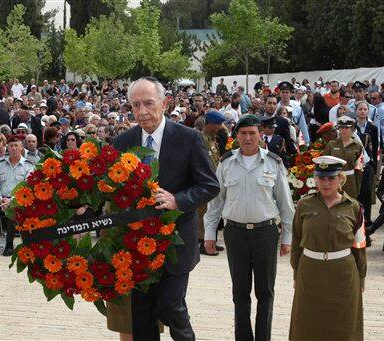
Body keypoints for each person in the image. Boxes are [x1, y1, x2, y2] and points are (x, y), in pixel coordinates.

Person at [112, 77, 219, 341]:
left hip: (177, 241)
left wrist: (177, 200)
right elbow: (110, 187)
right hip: (136, 243)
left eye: (148, 103)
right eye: (136, 105)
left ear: (164, 103)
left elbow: (209, 185)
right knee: (143, 312)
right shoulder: (122, 142)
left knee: (171, 305)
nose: (142, 111)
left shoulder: (189, 138)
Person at [204, 114, 294, 341]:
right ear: (236, 136)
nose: (248, 138)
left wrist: (287, 238)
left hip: (266, 233)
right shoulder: (226, 163)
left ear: (260, 135)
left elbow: (286, 204)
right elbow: (215, 203)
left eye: (252, 133)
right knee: (240, 293)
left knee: (265, 292)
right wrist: (209, 233)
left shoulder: (273, 162)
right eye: (243, 133)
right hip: (235, 233)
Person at [289, 155, 366, 341]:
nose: (325, 183)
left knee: (344, 322)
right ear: (315, 179)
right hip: (310, 271)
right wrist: (296, 273)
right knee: (307, 321)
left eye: (331, 178)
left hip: (343, 274)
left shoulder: (354, 207)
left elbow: (359, 246)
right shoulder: (304, 205)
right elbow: (297, 241)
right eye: (321, 178)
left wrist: (361, 277)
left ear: (341, 179)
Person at [0, 135, 34, 256]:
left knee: (12, 208)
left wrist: (12, 200)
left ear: (21, 147)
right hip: (0, 198)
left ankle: (9, 244)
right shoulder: (0, 164)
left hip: (18, 200)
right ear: (7, 147)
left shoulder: (29, 166)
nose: (13, 148)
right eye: (11, 146)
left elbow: (27, 187)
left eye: (16, 145)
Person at [199, 111, 226, 256]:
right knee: (205, 211)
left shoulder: (212, 138)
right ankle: (204, 242)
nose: (220, 127)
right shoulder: (202, 139)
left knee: (213, 210)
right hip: (205, 180)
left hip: (213, 178)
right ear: (211, 124)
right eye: (218, 124)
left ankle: (211, 240)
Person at [325, 116, 363, 198]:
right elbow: (325, 165)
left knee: (349, 206)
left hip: (350, 181)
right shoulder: (331, 144)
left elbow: (359, 169)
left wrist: (358, 187)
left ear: (352, 129)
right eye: (341, 128)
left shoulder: (357, 146)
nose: (344, 130)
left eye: (347, 128)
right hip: (334, 179)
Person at [354, 101, 379, 225]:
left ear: (368, 111)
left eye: (365, 109)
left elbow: (375, 147)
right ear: (356, 111)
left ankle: (367, 219)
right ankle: (355, 218)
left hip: (367, 164)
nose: (362, 111)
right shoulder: (352, 126)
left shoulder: (373, 127)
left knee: (367, 191)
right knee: (356, 191)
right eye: (360, 109)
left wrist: (374, 165)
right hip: (354, 164)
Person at [277, 81, 310, 145]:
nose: (285, 94)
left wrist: (306, 142)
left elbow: (303, 125)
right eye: (283, 92)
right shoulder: (275, 108)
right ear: (279, 93)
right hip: (279, 141)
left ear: (291, 94)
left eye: (287, 92)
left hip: (294, 140)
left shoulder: (297, 108)